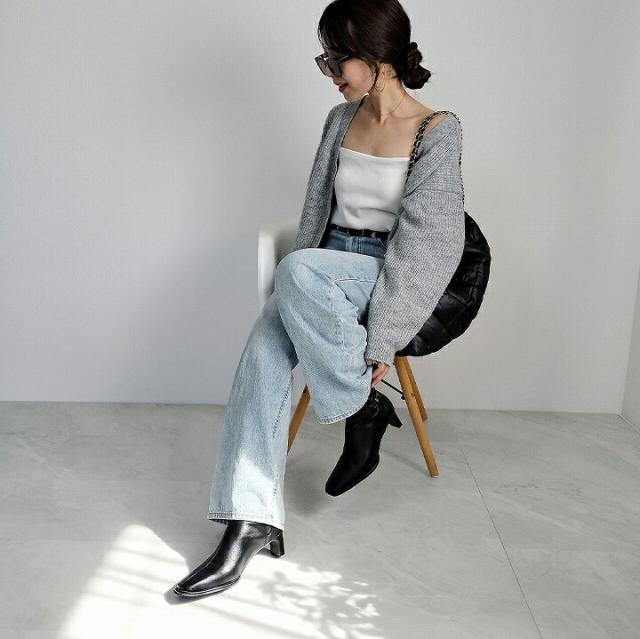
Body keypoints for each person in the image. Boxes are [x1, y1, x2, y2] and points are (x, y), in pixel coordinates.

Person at [173, 0, 465, 599]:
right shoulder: (340, 118)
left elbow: (429, 245)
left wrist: (382, 338)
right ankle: (251, 520)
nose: (329, 71)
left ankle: (360, 406)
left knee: (299, 269)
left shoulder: (437, 130)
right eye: (324, 58)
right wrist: (296, 290)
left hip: (382, 274)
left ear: (379, 58)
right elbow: (316, 214)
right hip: (320, 271)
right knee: (263, 354)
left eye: (338, 59)